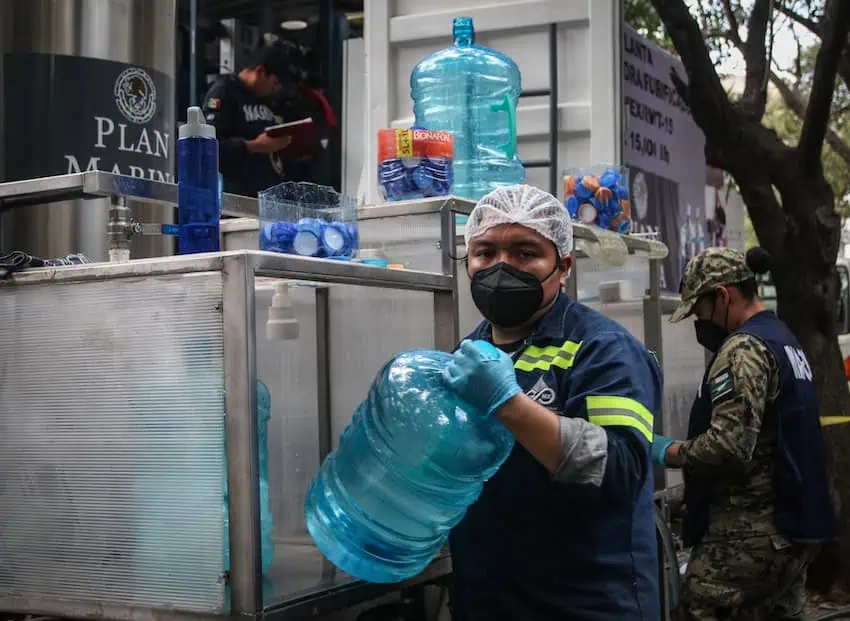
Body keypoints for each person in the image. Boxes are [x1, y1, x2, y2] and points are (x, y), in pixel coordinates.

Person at [443, 185, 662, 621]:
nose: (501, 266)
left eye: (525, 253)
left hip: (585, 603)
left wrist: (509, 403)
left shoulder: (604, 348)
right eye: (485, 253)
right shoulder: (468, 353)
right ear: (467, 261)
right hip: (489, 600)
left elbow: (618, 471)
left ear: (562, 267)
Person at [653, 247, 836, 621]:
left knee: (698, 612)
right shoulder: (782, 339)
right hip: (794, 525)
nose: (697, 323)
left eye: (699, 311)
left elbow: (729, 445)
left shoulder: (744, 348)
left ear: (723, 295)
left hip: (749, 534)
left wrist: (665, 451)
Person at [201, 40, 317, 197]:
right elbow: (207, 149)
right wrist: (252, 146)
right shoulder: (224, 92)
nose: (276, 89)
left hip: (266, 198)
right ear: (260, 72)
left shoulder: (266, 99)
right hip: (235, 199)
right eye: (275, 83)